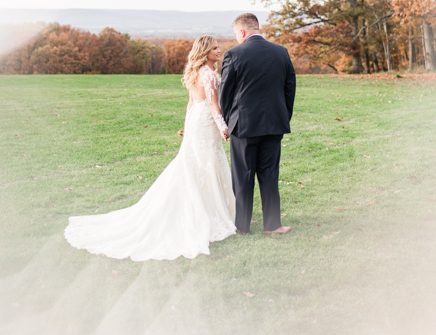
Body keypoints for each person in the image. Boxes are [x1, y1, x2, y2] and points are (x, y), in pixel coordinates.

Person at [64, 36, 236, 261]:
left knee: (195, 165)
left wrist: (187, 127)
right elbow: (214, 106)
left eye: (217, 47)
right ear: (205, 52)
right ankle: (209, 214)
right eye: (214, 48)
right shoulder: (211, 75)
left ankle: (201, 208)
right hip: (204, 124)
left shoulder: (195, 74)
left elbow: (191, 104)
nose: (219, 50)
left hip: (195, 123)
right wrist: (224, 128)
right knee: (207, 165)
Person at [219, 13, 296, 235]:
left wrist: (227, 121)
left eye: (236, 34)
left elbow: (226, 93)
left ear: (242, 32)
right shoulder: (281, 51)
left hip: (243, 126)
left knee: (242, 176)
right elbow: (289, 87)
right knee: (270, 174)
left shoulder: (233, 54)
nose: (236, 39)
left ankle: (242, 226)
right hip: (274, 123)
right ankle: (273, 225)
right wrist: (284, 115)